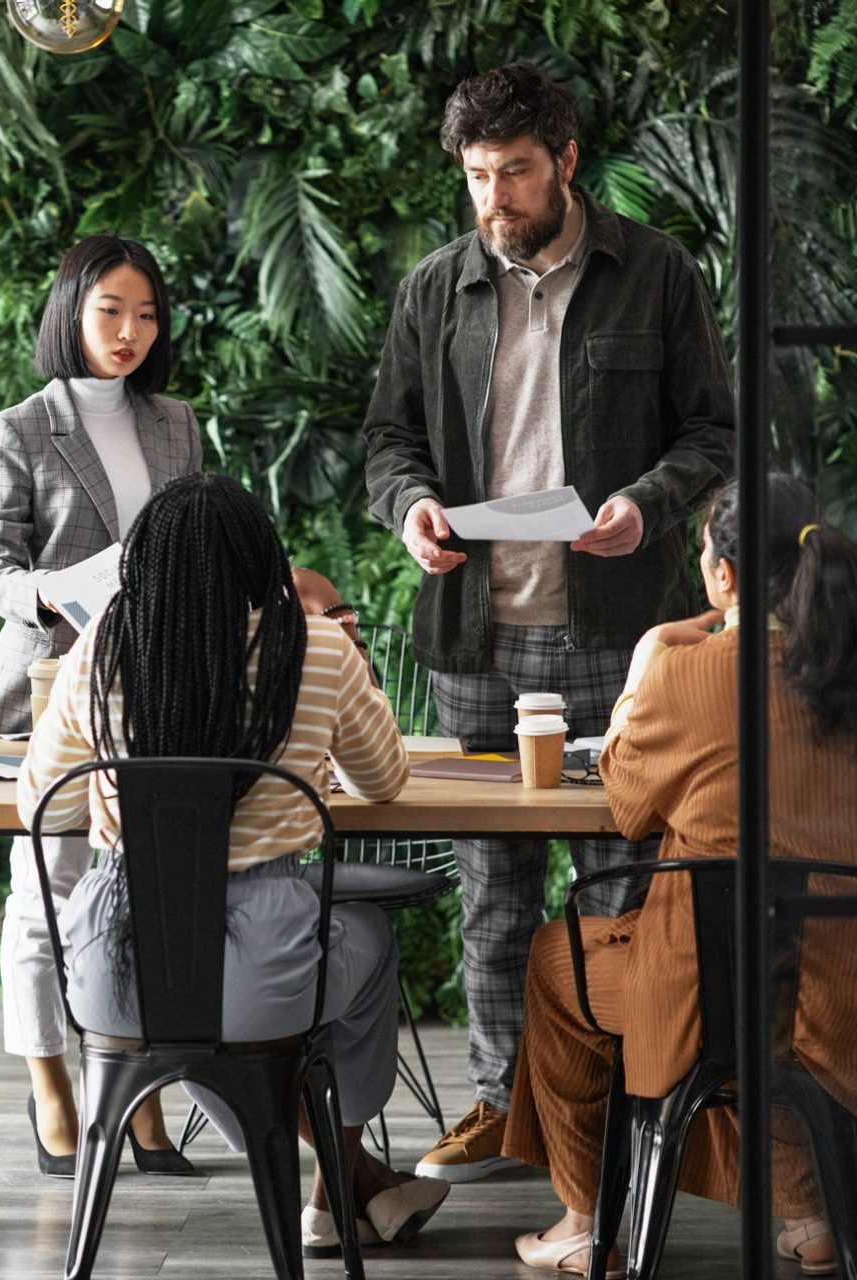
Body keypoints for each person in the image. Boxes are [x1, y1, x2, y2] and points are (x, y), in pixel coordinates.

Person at [362, 61, 736, 1182]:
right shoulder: (435, 287)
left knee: (620, 880)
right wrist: (409, 509)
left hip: (622, 637)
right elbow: (389, 441)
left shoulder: (653, 270)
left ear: (564, 162)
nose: (493, 198)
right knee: (492, 887)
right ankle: (495, 1102)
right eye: (476, 175)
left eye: (514, 172)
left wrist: (646, 503)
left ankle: (619, 1108)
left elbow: (710, 432)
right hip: (477, 635)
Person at [16, 471, 453, 1254]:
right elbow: (384, 782)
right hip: (265, 969)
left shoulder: (102, 647)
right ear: (262, 560)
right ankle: (336, 1191)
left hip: (121, 975)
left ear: (140, 564)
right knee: (366, 943)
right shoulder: (315, 647)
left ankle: (350, 1187)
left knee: (191, 1027)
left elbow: (39, 803)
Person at [503, 475, 857, 1277]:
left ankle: (583, 1220)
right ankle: (809, 1212)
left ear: (723, 575)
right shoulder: (841, 666)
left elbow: (627, 806)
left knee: (560, 961)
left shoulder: (685, 671)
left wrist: (645, 662)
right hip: (846, 989)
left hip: (726, 1001)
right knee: (773, 977)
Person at [0, 235, 203, 1175]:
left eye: (147, 314)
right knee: (45, 903)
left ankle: (135, 1093)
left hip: (156, 692)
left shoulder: (176, 423)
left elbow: (193, 545)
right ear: (72, 310)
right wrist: (63, 587)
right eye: (111, 310)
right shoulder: (19, 429)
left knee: (144, 898)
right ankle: (52, 1091)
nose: (131, 331)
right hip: (54, 693)